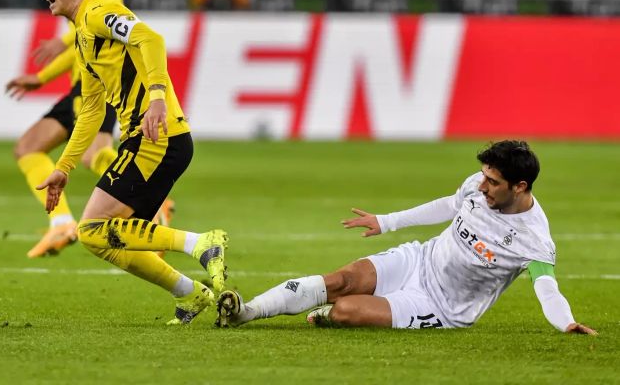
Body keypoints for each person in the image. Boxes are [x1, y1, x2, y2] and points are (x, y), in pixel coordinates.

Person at [11, 0, 228, 324]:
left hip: (156, 137)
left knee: (92, 230)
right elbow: (92, 110)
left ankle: (200, 244)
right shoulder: (81, 35)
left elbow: (151, 39)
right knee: (105, 238)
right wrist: (63, 167)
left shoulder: (98, 11)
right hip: (149, 140)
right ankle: (191, 293)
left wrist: (158, 97)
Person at [216, 140, 597, 335]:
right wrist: (387, 221)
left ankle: (334, 313)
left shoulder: (533, 240)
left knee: (346, 310)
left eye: (493, 182)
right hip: (419, 260)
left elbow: (547, 288)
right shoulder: (478, 186)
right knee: (341, 281)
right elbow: (449, 205)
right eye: (483, 176)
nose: (482, 186)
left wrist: (566, 323)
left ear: (520, 186)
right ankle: (246, 312)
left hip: (441, 306)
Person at [5, 0, 173, 258]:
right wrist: (44, 76)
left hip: (102, 78)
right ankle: (62, 222)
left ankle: (155, 202)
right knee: (30, 147)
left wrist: (59, 45)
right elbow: (84, 38)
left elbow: (100, 10)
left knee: (87, 152)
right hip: (87, 76)